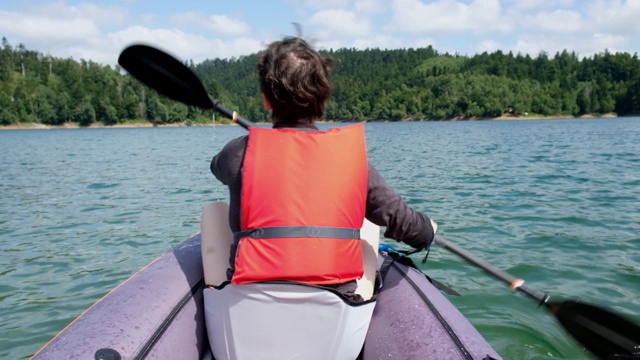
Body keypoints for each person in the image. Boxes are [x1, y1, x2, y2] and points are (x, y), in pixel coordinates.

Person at [201, 33, 437, 360]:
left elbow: (216, 168)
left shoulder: (238, 153)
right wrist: (429, 229)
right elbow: (408, 227)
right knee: (369, 226)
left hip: (244, 322)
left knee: (215, 210)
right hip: (334, 334)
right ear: (322, 98)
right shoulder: (353, 162)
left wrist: (257, 145)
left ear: (267, 100)